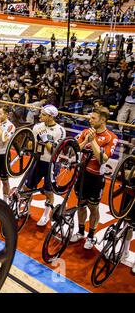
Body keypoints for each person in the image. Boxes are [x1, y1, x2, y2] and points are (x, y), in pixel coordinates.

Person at [70, 107, 118, 249]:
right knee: (80, 204)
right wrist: (86, 141)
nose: (90, 120)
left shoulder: (111, 137)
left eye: (93, 118)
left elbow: (103, 159)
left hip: (96, 177)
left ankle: (91, 236)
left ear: (103, 120)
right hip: (82, 173)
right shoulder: (86, 132)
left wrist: (94, 142)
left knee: (93, 207)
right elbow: (75, 149)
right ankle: (80, 232)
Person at [22, 105, 66, 226]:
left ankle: (46, 215)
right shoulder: (37, 127)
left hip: (52, 163)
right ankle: (26, 208)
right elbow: (31, 145)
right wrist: (32, 143)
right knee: (27, 187)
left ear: (51, 116)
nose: (40, 116)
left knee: (48, 191)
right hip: (38, 160)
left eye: (43, 115)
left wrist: (45, 139)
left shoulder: (60, 130)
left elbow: (54, 151)